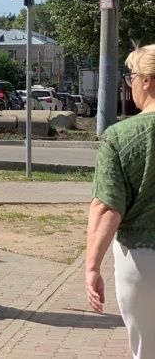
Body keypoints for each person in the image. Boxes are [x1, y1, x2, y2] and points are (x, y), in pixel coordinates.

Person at [86, 45, 155, 359]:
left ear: (147, 82)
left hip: (142, 261)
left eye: (132, 77)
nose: (130, 84)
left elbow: (107, 207)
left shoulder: (120, 136)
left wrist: (92, 267)